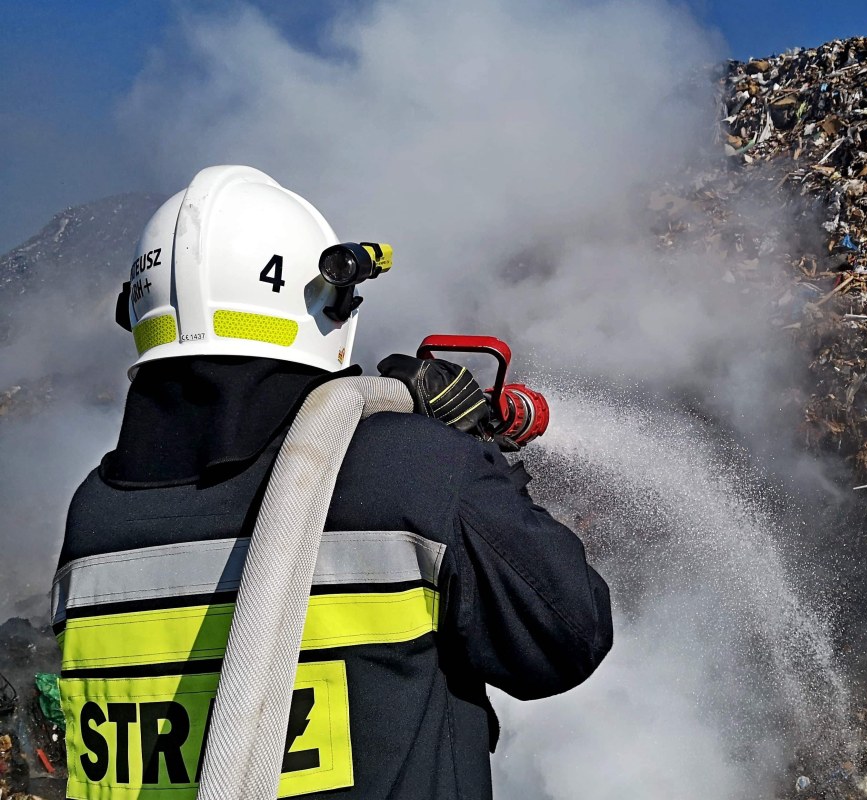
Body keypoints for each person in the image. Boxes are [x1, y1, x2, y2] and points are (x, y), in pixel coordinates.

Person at [51, 165, 612, 799]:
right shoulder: (412, 473)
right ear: (330, 299)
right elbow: (569, 636)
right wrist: (471, 460)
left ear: (140, 315)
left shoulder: (92, 519)